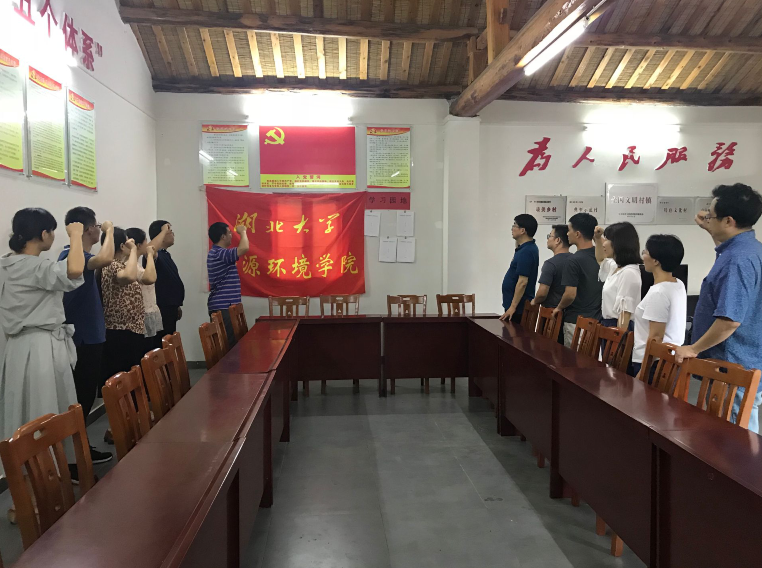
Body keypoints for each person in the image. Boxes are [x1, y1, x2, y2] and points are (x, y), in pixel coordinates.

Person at [0, 208, 84, 479]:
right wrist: (76, 236)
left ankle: (28, 478)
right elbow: (75, 270)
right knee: (44, 411)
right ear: (44, 234)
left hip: (17, 347)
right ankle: (46, 477)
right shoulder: (36, 267)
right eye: (53, 232)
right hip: (40, 349)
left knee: (22, 411)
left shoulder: (6, 265)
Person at [675, 184, 762, 433]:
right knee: (734, 433)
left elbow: (729, 320)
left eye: (711, 216)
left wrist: (693, 348)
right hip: (745, 359)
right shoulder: (749, 249)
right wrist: (710, 228)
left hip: (732, 366)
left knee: (732, 439)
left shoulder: (736, 259)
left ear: (728, 221)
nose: (706, 219)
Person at [59, 207, 115, 465]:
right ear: (89, 228)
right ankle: (76, 456)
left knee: (86, 396)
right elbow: (105, 259)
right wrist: (110, 231)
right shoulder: (72, 256)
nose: (99, 230)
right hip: (81, 338)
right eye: (97, 226)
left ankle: (81, 449)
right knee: (80, 398)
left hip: (91, 336)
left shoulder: (80, 256)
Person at [632, 235, 687, 379]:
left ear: (656, 260)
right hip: (668, 359)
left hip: (653, 363)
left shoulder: (659, 292)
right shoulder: (678, 284)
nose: (643, 256)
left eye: (645, 252)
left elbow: (656, 337)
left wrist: (642, 372)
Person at [101, 228, 145, 385]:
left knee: (130, 374)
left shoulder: (118, 264)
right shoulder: (112, 265)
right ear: (121, 246)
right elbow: (129, 276)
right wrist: (133, 251)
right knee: (124, 378)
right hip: (120, 329)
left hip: (129, 329)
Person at [553, 213, 603, 347]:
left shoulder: (573, 260)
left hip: (576, 322)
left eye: (569, 230)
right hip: (597, 321)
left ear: (577, 234)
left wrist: (559, 308)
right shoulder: (601, 256)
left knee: (573, 359)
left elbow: (570, 294)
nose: (567, 234)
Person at [594, 222, 642, 331]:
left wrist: (617, 339)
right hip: (607, 324)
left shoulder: (628, 273)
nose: (604, 244)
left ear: (618, 243)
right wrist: (597, 238)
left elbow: (624, 314)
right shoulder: (615, 266)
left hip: (617, 327)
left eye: (607, 239)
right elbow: (601, 259)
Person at [207, 222, 249, 346]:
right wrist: (243, 232)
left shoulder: (219, 253)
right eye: (229, 233)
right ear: (223, 236)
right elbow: (244, 248)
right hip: (223, 307)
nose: (232, 235)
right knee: (229, 345)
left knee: (234, 343)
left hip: (227, 306)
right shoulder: (218, 253)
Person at [499, 214, 539, 322]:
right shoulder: (525, 248)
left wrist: (513, 307)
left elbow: (522, 282)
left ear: (522, 230)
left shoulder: (527, 251)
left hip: (518, 309)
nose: (512, 228)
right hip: (516, 308)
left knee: (515, 333)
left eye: (514, 225)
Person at [126, 228, 160, 350]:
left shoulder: (136, 263)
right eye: (146, 241)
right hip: (141, 314)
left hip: (147, 311)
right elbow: (149, 278)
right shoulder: (130, 264)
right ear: (139, 245)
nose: (148, 244)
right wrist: (149, 255)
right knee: (144, 350)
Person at [149, 221, 184, 341]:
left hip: (170, 307)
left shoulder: (165, 255)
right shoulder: (154, 254)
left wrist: (176, 305)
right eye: (170, 231)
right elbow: (149, 250)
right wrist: (164, 230)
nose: (173, 234)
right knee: (162, 343)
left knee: (170, 341)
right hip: (161, 308)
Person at [532, 225, 572, 309]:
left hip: (552, 312)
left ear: (557, 240)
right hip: (572, 311)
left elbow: (542, 294)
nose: (548, 239)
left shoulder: (550, 264)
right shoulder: (576, 260)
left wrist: (534, 301)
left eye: (549, 236)